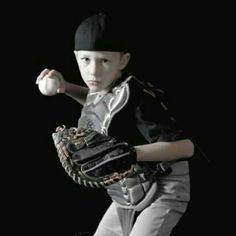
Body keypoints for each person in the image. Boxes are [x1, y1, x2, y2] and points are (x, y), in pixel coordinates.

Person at [36, 13, 194, 236]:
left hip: (165, 186)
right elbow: (99, 102)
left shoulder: (139, 98)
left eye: (105, 60)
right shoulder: (104, 87)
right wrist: (66, 87)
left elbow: (187, 147)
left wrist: (129, 153)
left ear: (123, 60)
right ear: (76, 57)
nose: (93, 71)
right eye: (86, 60)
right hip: (128, 190)